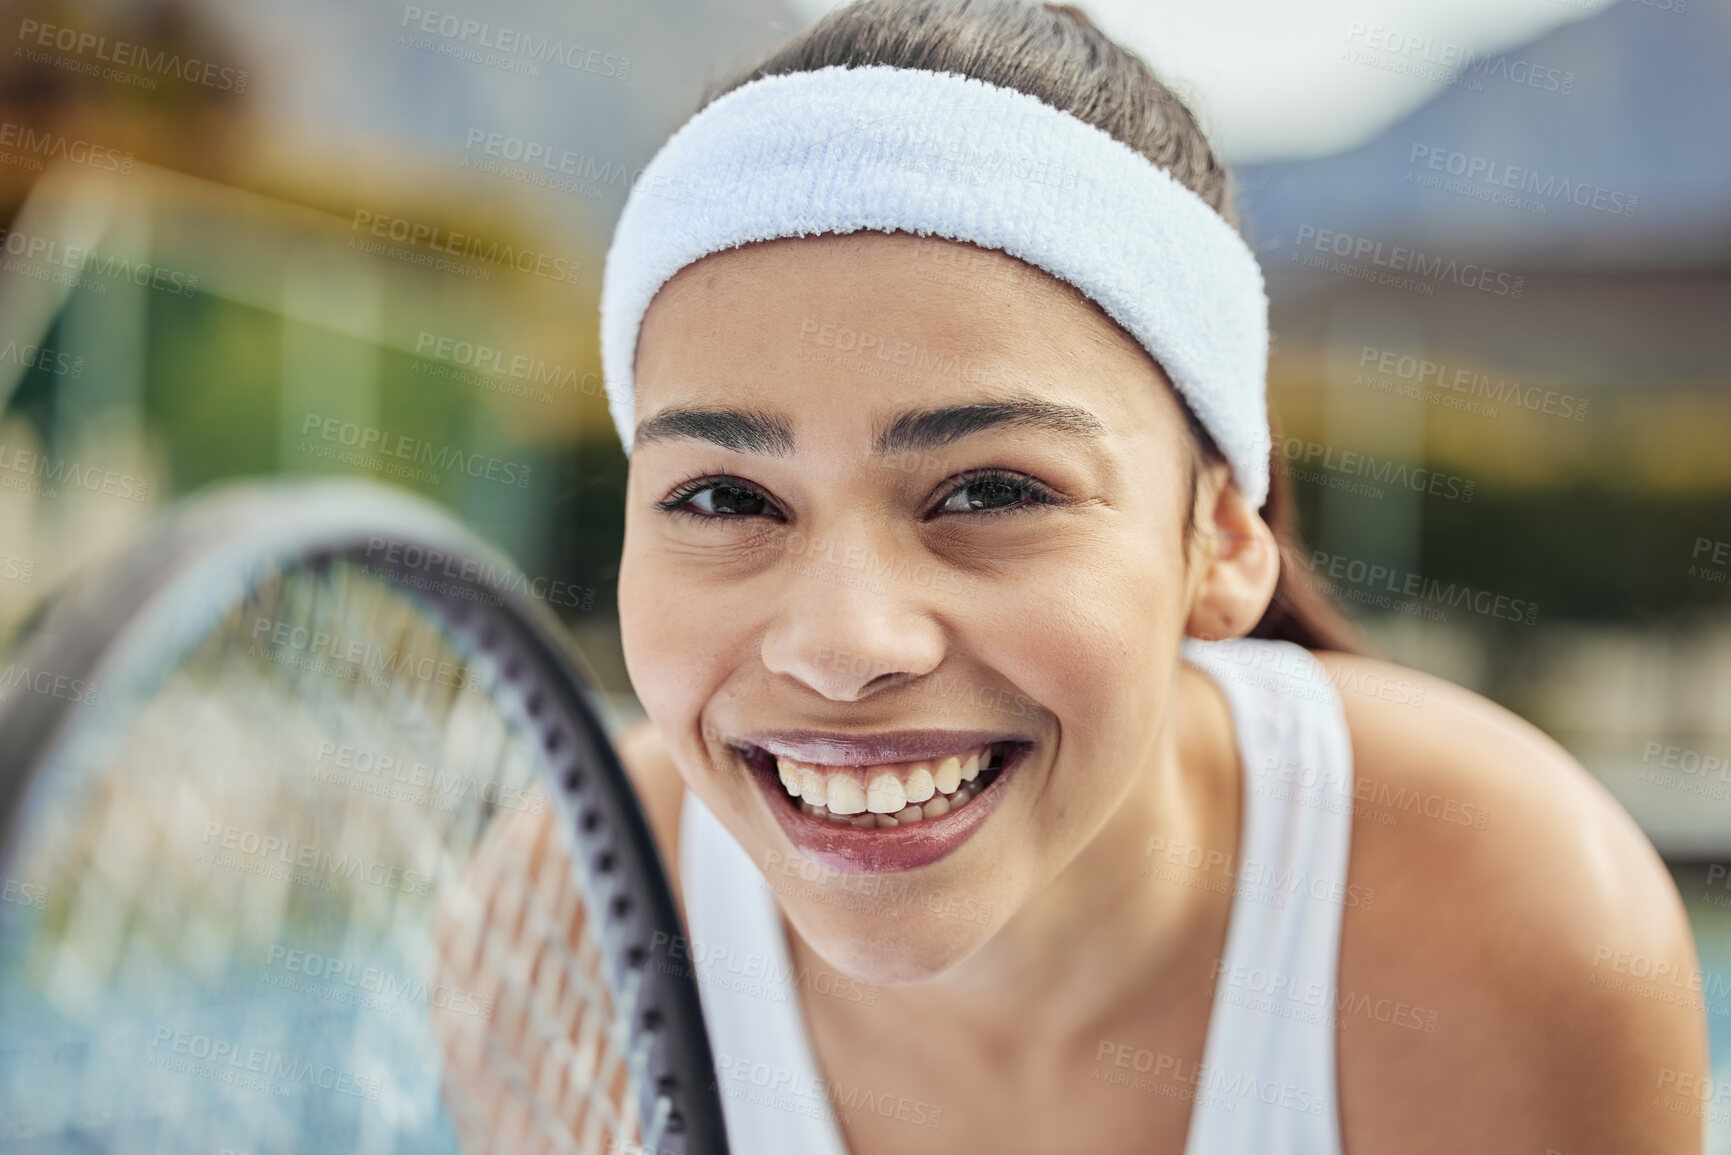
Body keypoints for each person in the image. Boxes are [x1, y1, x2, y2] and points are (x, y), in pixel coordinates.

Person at [458, 3, 1709, 1151]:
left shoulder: (1512, 929)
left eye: (994, 492)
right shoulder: (554, 940)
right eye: (724, 499)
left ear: (1218, 539)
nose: (842, 644)